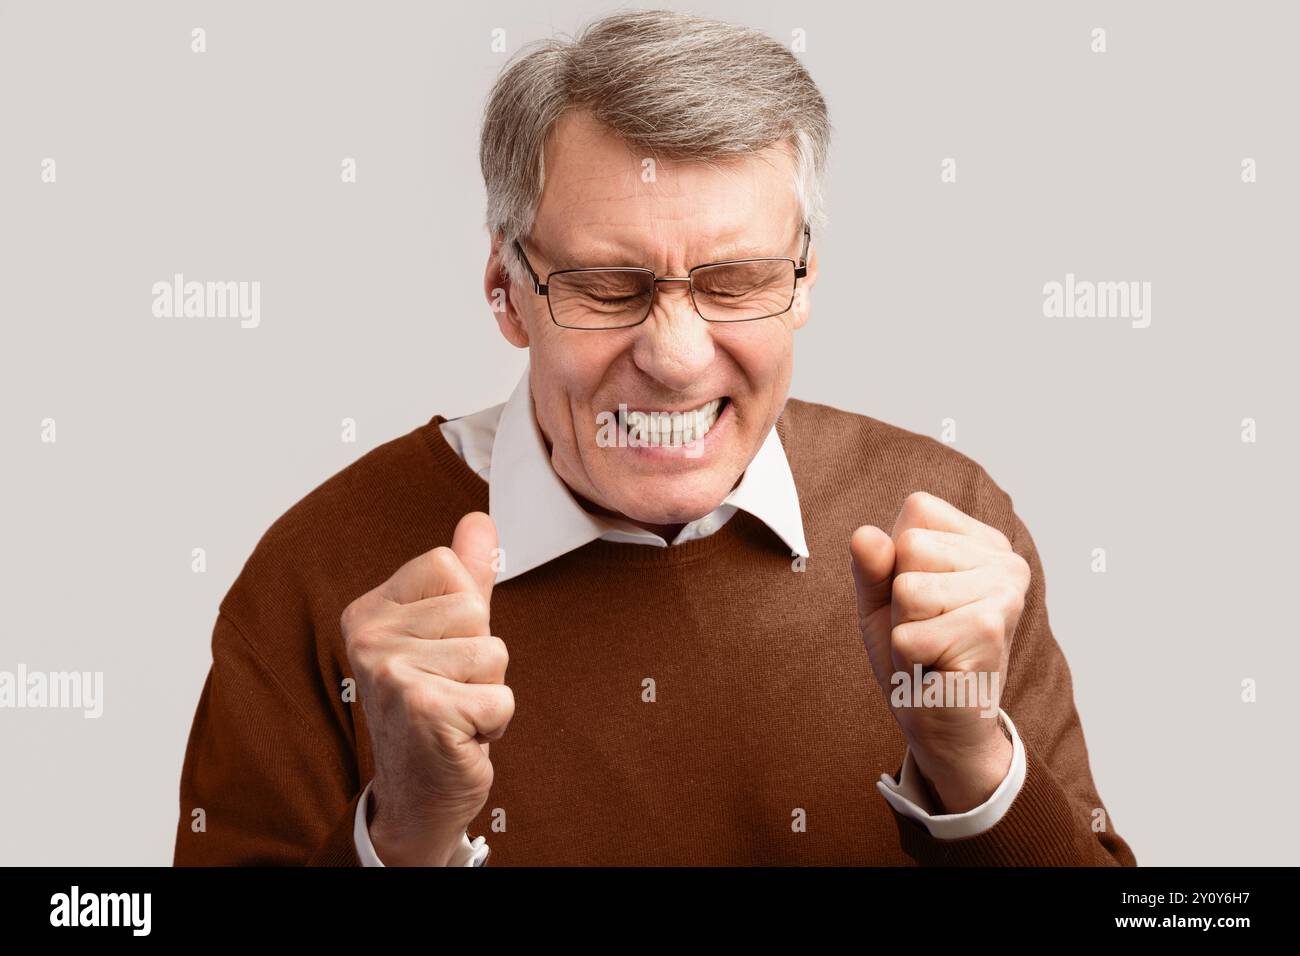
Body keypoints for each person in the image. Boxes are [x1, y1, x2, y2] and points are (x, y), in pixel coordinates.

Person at [174, 9, 1135, 866]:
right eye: (607, 288)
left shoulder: (948, 524)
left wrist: (972, 767)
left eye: (735, 281)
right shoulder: (316, 575)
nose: (675, 358)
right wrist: (404, 836)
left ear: (802, 284)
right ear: (507, 294)